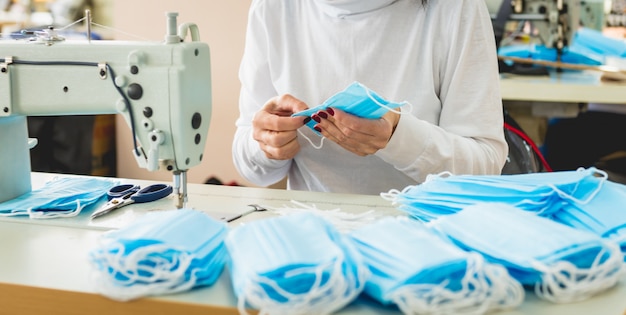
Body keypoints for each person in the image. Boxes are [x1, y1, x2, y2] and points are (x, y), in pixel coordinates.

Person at [232, 0, 509, 195]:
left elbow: (485, 167)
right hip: (316, 236)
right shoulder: (271, 8)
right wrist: (268, 145)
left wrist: (398, 138)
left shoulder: (456, 8)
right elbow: (254, 170)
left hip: (425, 236)